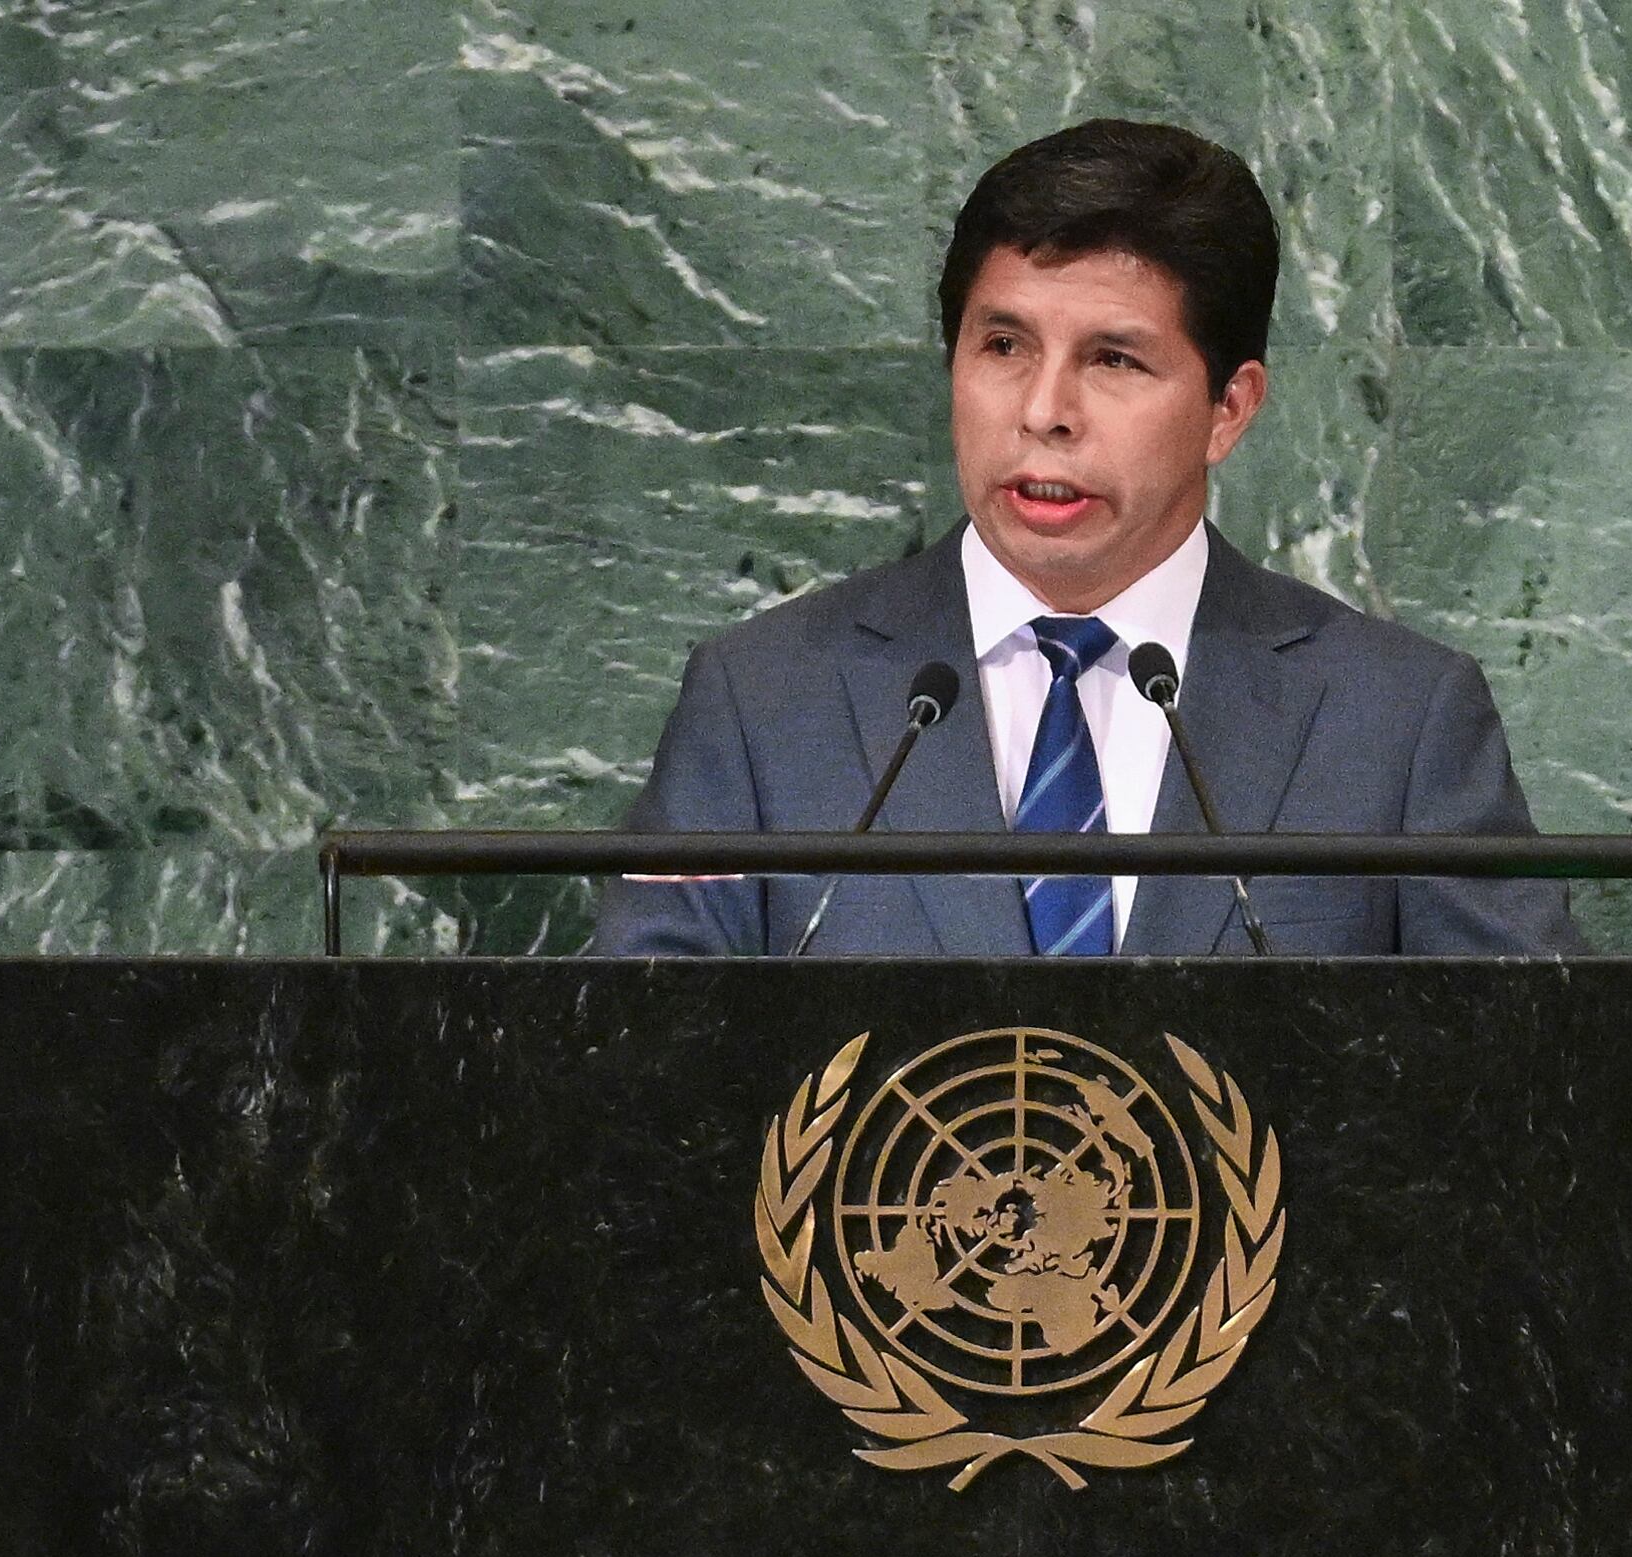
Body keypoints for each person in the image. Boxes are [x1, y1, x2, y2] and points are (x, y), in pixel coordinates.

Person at [594, 119, 1580, 957]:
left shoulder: (1399, 721)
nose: (1043, 411)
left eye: (1113, 359)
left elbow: (1534, 1080)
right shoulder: (763, 701)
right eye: (1003, 346)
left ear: (1229, 409)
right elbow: (639, 1069)